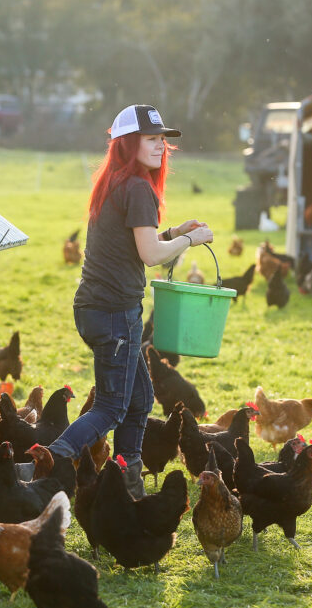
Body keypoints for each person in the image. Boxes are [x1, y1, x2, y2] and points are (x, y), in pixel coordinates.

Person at [45, 104, 213, 498]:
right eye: (151, 139)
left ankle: (126, 484)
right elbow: (152, 256)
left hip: (96, 309)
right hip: (115, 313)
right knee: (111, 407)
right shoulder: (139, 187)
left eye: (163, 140)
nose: (160, 147)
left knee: (139, 399)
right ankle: (46, 462)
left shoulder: (117, 182)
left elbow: (136, 245)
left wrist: (173, 230)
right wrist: (191, 240)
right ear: (127, 143)